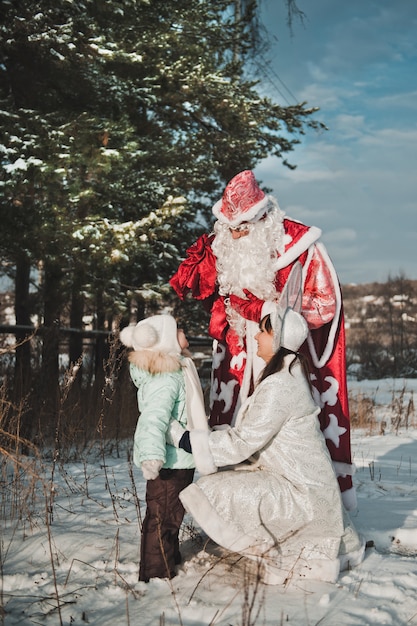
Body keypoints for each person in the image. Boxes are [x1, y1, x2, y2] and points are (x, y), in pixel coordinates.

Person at [169, 169, 355, 510]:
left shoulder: (302, 248)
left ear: (263, 219)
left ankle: (300, 507)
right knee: (239, 428)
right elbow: (194, 283)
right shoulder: (224, 246)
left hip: (284, 359)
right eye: (230, 227)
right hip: (239, 363)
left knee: (282, 434)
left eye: (243, 227)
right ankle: (241, 510)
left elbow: (325, 305)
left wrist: (267, 311)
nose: (237, 235)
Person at [174, 307, 365, 585]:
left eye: (264, 331)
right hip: (303, 485)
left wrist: (188, 441)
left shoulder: (281, 385)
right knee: (228, 478)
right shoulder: (287, 376)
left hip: (302, 495)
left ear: (278, 339)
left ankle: (282, 552)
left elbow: (243, 443)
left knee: (212, 489)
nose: (256, 337)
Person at [119, 314, 208, 582]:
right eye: (180, 329)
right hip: (169, 462)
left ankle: (168, 559)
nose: (185, 334)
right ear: (167, 339)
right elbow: (153, 418)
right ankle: (156, 574)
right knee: (162, 519)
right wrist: (152, 456)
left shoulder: (176, 369)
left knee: (170, 516)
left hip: (180, 459)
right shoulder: (166, 377)